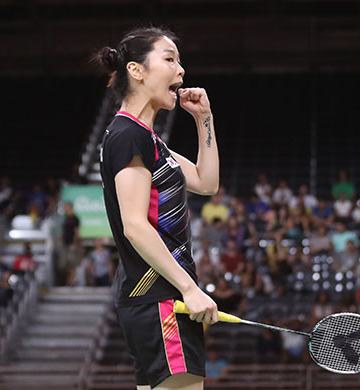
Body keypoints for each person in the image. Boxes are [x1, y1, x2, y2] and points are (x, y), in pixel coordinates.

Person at [95, 27, 219, 390]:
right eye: (169, 59)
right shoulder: (127, 135)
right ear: (136, 70)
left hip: (156, 298)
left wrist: (204, 118)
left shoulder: (146, 140)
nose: (180, 71)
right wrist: (189, 288)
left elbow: (206, 182)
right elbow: (134, 225)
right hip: (162, 297)